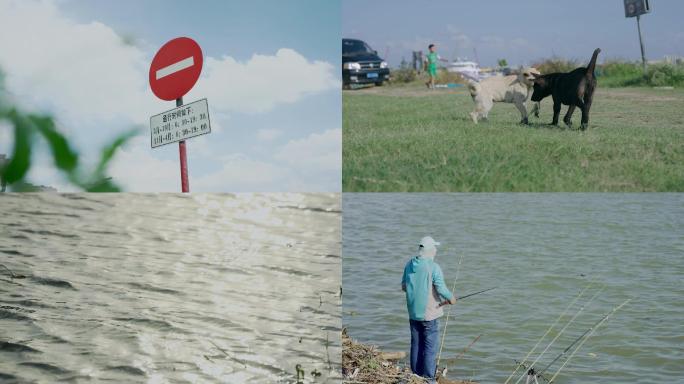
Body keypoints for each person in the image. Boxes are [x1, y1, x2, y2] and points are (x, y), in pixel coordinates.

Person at [402, 236, 456, 383]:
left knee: (416, 343)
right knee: (430, 347)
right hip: (429, 315)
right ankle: (429, 379)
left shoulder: (409, 265)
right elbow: (441, 288)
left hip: (413, 313)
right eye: (434, 248)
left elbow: (403, 287)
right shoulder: (434, 267)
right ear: (430, 250)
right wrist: (451, 298)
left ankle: (416, 375)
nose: (436, 250)